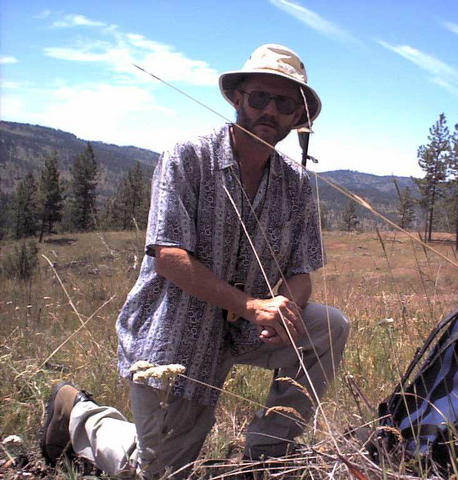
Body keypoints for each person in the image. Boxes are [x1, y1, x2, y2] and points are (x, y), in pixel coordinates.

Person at [40, 44, 349, 479]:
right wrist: (252, 306)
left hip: (249, 327)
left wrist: (283, 306)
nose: (270, 111)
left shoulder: (296, 184)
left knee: (329, 327)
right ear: (238, 99)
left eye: (285, 103)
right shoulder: (188, 157)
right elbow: (168, 257)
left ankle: (269, 449)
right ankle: (82, 417)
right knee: (162, 470)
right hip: (175, 333)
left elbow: (300, 271)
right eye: (260, 97)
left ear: (299, 117)